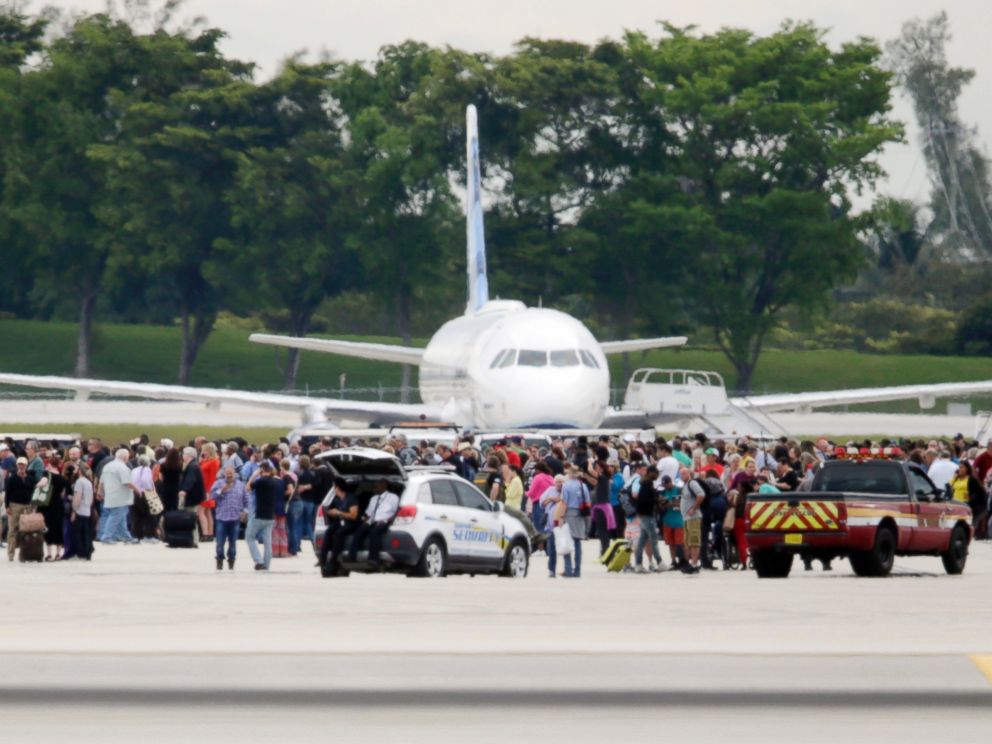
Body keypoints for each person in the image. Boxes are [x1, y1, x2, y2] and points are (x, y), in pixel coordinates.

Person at [347, 479, 400, 570]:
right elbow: (368, 513)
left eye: (376, 485)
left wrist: (388, 520)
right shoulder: (373, 498)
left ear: (384, 485)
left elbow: (396, 512)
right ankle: (352, 556)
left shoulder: (393, 497)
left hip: (384, 521)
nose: (374, 487)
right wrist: (363, 520)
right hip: (371, 521)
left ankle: (373, 559)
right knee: (360, 530)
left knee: (374, 532)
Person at [209, 464, 249, 570]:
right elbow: (212, 496)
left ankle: (231, 561)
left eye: (231, 474)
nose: (229, 476)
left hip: (235, 518)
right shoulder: (218, 483)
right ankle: (219, 560)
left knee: (233, 542)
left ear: (234, 474)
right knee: (220, 542)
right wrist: (221, 490)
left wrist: (245, 511)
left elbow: (247, 500)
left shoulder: (240, 485)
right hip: (221, 518)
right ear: (224, 474)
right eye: (227, 474)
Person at [98, 449, 140, 545]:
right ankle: (106, 537)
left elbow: (101, 481)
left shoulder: (107, 466)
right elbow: (127, 482)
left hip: (110, 495)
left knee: (121, 518)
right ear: (125, 457)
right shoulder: (122, 468)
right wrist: (138, 490)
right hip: (120, 497)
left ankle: (126, 537)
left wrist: (99, 492)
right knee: (115, 517)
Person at [319, 477, 360, 572]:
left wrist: (338, 513)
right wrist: (331, 513)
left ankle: (334, 559)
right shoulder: (336, 499)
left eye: (334, 486)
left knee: (339, 533)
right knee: (328, 531)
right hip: (340, 521)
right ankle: (322, 558)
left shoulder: (351, 498)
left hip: (352, 522)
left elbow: (353, 515)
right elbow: (330, 510)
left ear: (337, 488)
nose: (333, 488)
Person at [246, 462, 280, 571]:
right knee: (267, 541)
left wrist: (254, 476)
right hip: (270, 515)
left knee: (250, 537)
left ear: (262, 470)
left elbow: (248, 488)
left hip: (259, 514)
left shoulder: (260, 481)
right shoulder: (275, 482)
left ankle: (258, 560)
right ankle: (266, 563)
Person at [4, 457, 37, 561]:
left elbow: (33, 493)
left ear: (26, 465)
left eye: (23, 464)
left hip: (27, 506)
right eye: (19, 464)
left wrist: (33, 506)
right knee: (12, 529)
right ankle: (11, 553)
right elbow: (7, 493)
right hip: (15, 505)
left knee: (26, 530)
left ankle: (24, 553)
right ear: (17, 465)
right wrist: (7, 506)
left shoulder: (30, 479)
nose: (21, 466)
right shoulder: (12, 478)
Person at [633, 465, 663, 573]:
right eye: (656, 473)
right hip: (646, 514)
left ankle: (638, 564)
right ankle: (660, 562)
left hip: (642, 514)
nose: (657, 475)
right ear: (651, 472)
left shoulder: (645, 483)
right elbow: (645, 500)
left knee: (641, 541)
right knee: (654, 539)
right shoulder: (647, 484)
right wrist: (656, 500)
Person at [560, 467, 589, 578]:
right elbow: (587, 501)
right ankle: (577, 570)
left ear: (569, 474)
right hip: (580, 514)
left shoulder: (566, 485)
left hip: (570, 514)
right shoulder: (583, 485)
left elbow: (564, 503)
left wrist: (561, 517)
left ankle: (568, 569)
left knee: (566, 542)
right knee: (577, 543)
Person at [539, 475, 566, 578]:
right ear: (554, 483)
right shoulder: (550, 490)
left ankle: (566, 569)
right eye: (558, 482)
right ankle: (551, 570)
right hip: (550, 525)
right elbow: (542, 503)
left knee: (565, 547)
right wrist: (551, 499)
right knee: (552, 548)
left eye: (562, 482)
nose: (560, 484)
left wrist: (558, 500)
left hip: (563, 524)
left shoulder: (566, 491)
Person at [679, 466, 705, 571]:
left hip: (693, 517)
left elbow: (701, 494)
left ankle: (694, 563)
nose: (682, 476)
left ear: (689, 474)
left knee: (694, 540)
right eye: (681, 474)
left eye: (684, 473)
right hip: (686, 518)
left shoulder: (692, 483)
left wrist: (694, 508)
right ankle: (690, 563)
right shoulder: (684, 485)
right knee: (688, 541)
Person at [178, 447, 206, 542]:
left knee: (190, 517)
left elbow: (190, 480)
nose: (182, 456)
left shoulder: (192, 466)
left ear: (189, 455)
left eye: (184, 454)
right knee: (191, 516)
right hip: (194, 497)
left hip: (191, 497)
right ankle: (191, 538)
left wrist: (184, 490)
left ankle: (193, 539)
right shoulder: (193, 465)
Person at [71, 464, 95, 560]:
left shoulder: (79, 482)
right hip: (87, 510)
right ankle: (87, 552)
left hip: (80, 510)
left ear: (80, 471)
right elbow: (91, 498)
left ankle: (81, 552)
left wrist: (74, 510)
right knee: (86, 532)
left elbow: (78, 497)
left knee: (78, 533)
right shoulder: (89, 482)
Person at [198, 442, 220, 541]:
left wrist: (209, 491)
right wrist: (201, 458)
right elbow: (200, 466)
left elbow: (213, 477)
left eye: (204, 450)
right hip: (203, 488)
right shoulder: (206, 461)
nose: (203, 452)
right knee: (207, 512)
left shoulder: (214, 462)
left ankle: (205, 533)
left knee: (201, 511)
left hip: (207, 489)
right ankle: (210, 533)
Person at [156, 447, 183, 512]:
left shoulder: (163, 465)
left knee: (165, 506)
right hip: (176, 488)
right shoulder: (180, 465)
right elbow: (181, 477)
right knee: (175, 505)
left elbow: (160, 477)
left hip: (166, 488)